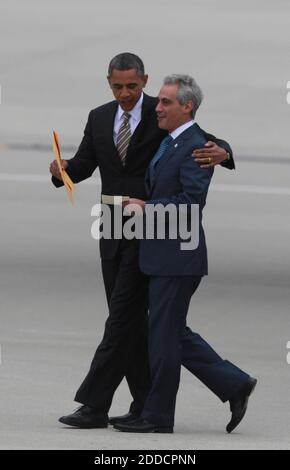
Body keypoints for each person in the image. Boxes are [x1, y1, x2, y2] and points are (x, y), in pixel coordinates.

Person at [50, 53, 235, 429]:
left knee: (121, 320)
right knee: (131, 324)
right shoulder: (99, 117)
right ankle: (144, 403)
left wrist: (226, 151)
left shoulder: (160, 109)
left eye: (132, 86)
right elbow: (85, 164)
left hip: (149, 229)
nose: (125, 94)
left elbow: (197, 135)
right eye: (117, 86)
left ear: (145, 80)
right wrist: (62, 169)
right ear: (108, 82)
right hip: (111, 230)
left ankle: (95, 404)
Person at [113, 74, 257, 434]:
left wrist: (147, 207)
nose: (156, 107)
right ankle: (233, 383)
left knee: (163, 336)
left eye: (165, 102)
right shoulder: (172, 141)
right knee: (165, 331)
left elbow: (191, 202)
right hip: (162, 254)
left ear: (187, 106)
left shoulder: (198, 147)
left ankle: (157, 417)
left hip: (178, 256)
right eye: (158, 101)